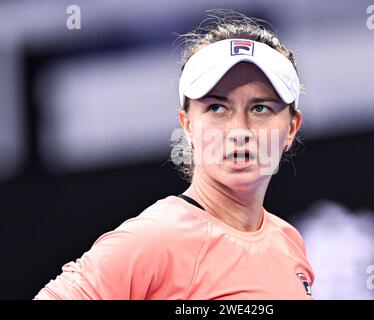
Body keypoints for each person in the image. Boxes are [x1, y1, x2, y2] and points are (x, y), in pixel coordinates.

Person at [34, 9, 314, 300]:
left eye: (260, 109)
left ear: (291, 128)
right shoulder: (153, 239)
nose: (239, 130)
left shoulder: (289, 242)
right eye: (217, 108)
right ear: (188, 125)